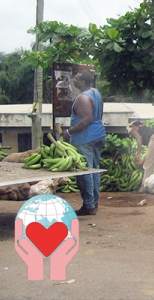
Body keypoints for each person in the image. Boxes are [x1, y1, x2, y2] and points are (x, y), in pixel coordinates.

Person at [60, 71, 106, 216]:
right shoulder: (96, 93)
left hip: (85, 138)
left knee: (85, 171)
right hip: (98, 134)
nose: (73, 80)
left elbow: (87, 119)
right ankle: (94, 202)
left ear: (83, 82)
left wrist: (69, 132)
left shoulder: (83, 98)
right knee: (94, 170)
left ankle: (89, 205)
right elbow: (99, 114)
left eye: (76, 78)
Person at [129, 121, 154, 193]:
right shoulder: (147, 130)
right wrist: (142, 161)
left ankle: (144, 187)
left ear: (134, 126)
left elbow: (139, 138)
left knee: (149, 164)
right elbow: (150, 153)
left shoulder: (133, 130)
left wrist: (138, 154)